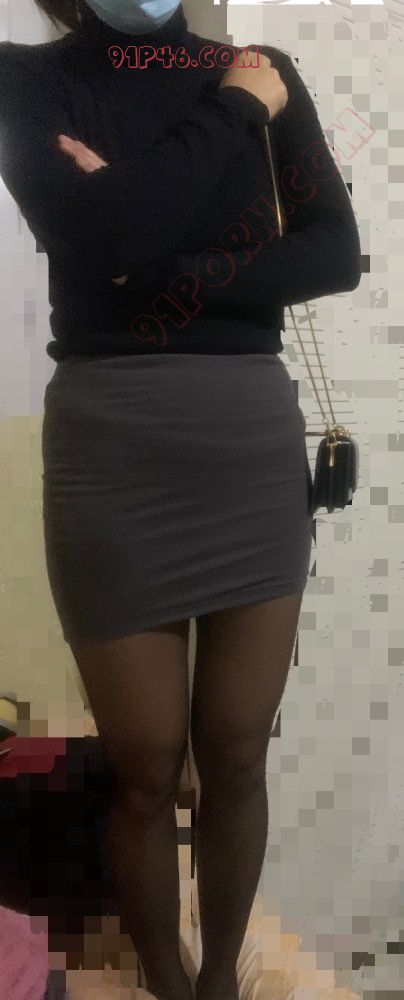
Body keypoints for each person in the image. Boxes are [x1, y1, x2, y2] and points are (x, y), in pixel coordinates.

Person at [0, 2, 362, 998]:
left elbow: (333, 253)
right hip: (112, 449)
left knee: (236, 753)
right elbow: (94, 235)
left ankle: (219, 986)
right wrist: (232, 111)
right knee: (146, 767)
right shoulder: (26, 81)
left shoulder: (261, 64)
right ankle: (166, 980)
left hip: (247, 444)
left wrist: (149, 268)